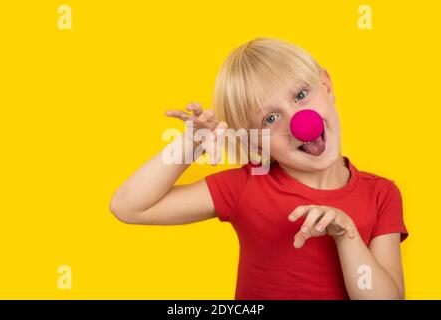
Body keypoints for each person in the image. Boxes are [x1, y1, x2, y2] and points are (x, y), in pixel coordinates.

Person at [109, 37, 408, 300]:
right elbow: (129, 207)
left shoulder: (381, 194)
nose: (298, 123)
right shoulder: (247, 185)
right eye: (270, 119)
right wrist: (192, 143)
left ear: (326, 86)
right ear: (254, 144)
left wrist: (346, 235)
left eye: (301, 95)